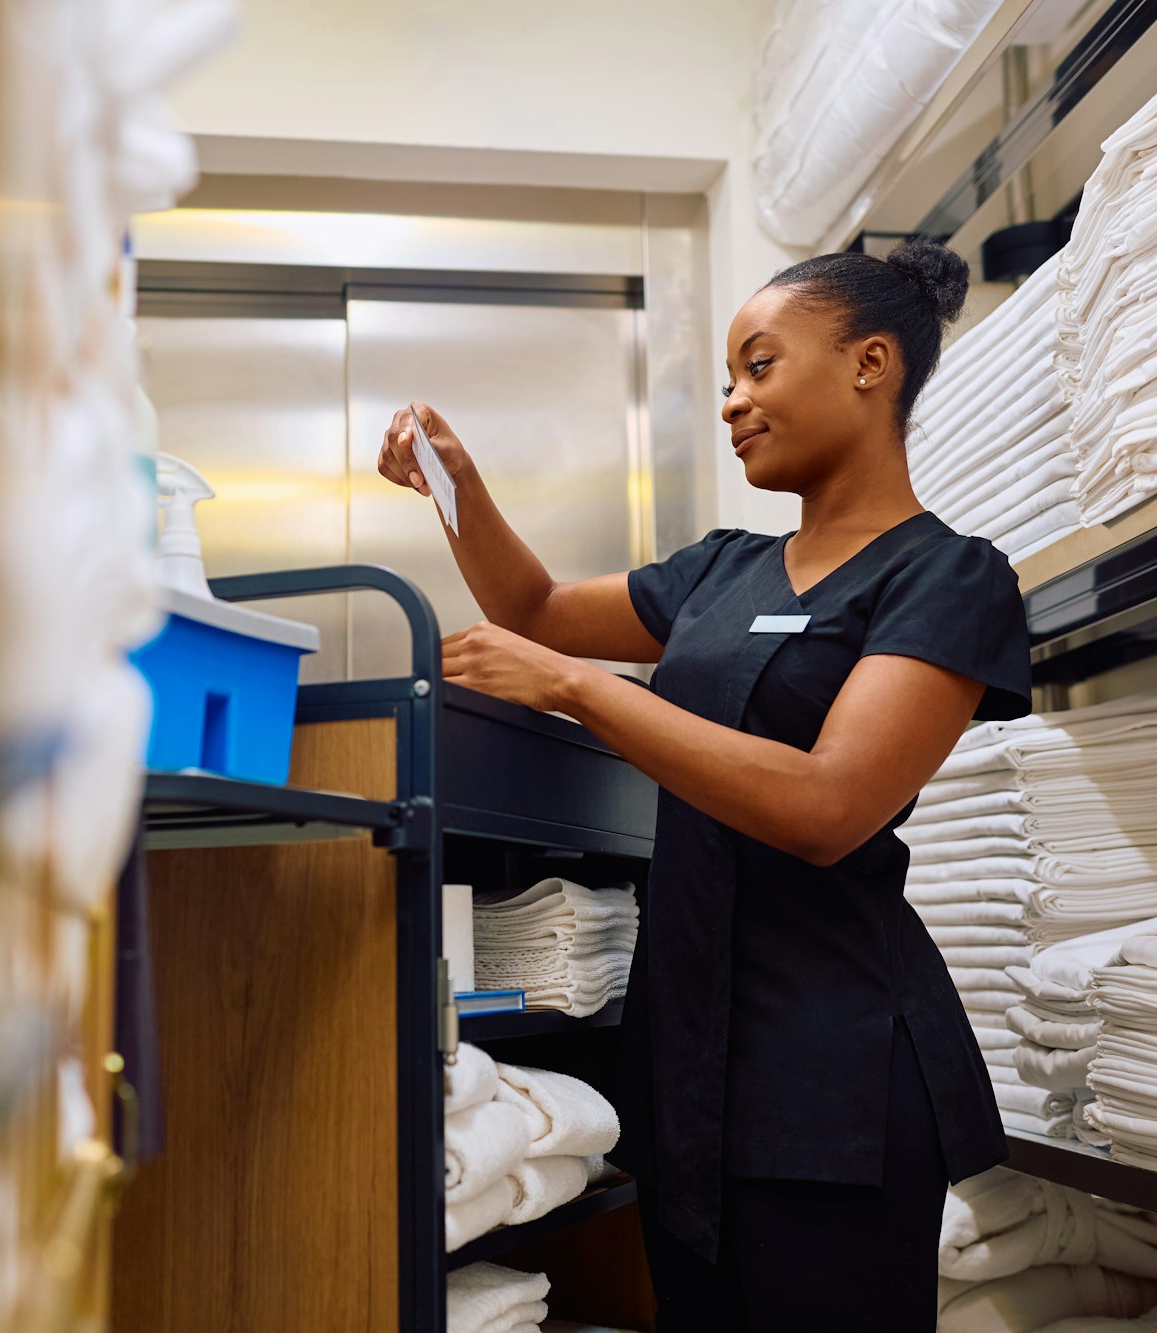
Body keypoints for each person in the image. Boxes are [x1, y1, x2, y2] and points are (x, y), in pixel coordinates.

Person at [377, 239, 1031, 1329]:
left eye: (758, 367)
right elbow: (533, 612)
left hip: (836, 1073)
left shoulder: (946, 575)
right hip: (684, 1066)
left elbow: (827, 806)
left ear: (870, 364)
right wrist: (452, 481)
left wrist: (579, 690)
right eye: (728, 377)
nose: (732, 402)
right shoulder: (721, 570)